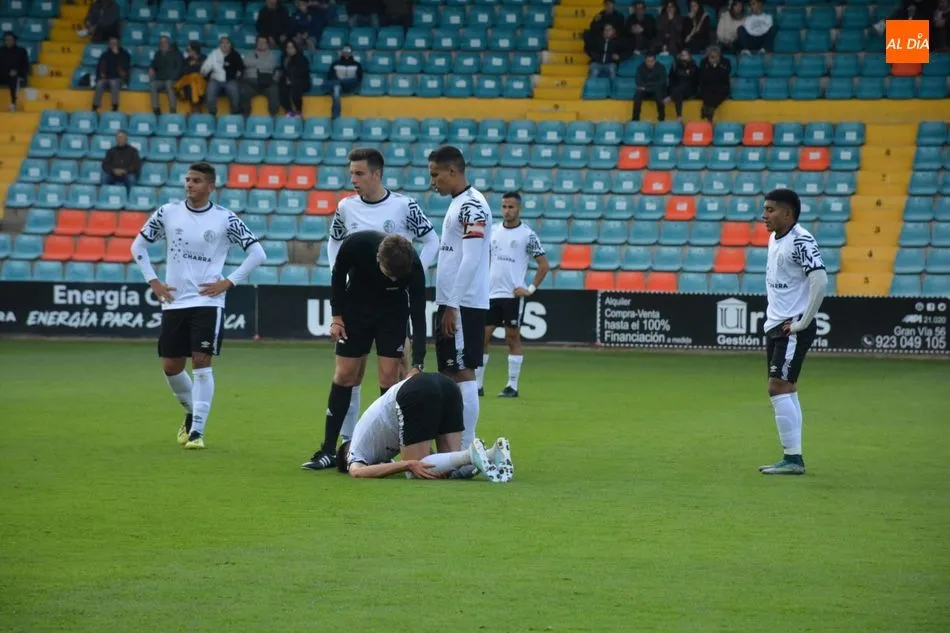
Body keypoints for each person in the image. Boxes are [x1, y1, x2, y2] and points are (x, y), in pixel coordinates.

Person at [129, 162, 267, 450]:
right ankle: (193, 412)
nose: (189, 185)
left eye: (196, 180)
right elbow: (137, 247)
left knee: (202, 361)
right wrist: (153, 280)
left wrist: (229, 282)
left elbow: (257, 253)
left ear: (210, 186)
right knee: (171, 367)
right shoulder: (167, 212)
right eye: (188, 180)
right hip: (174, 302)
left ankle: (197, 432)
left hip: (208, 301)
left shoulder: (225, 219)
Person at [325, 147, 440, 447]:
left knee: (390, 377)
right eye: (351, 173)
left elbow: (432, 240)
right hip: (357, 302)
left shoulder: (404, 206)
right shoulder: (346, 207)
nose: (354, 179)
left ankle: (383, 444)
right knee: (349, 373)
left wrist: (412, 272)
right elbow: (334, 241)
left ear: (377, 174)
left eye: (360, 173)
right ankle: (344, 442)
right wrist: (337, 272)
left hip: (392, 302)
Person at [301, 231, 428, 471]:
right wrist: (337, 316)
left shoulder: (413, 266)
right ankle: (328, 449)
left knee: (389, 377)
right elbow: (338, 276)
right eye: (388, 274)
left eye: (397, 278)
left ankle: (385, 450)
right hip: (356, 310)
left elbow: (419, 315)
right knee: (345, 375)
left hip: (392, 315)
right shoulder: (356, 244)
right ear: (378, 259)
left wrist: (417, 363)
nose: (392, 280)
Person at [758, 188, 828, 475]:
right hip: (777, 324)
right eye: (765, 209)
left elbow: (820, 281)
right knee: (787, 389)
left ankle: (793, 459)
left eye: (771, 210)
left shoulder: (801, 241)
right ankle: (793, 456)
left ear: (788, 213)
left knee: (777, 387)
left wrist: (802, 322)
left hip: (792, 325)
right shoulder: (774, 238)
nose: (765, 215)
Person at [336, 372, 513, 483]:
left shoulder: (355, 450)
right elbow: (428, 449)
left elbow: (357, 472)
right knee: (450, 469)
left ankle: (471, 454)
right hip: (446, 384)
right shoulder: (376, 445)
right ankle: (492, 453)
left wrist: (408, 464)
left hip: (416, 392)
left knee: (417, 471)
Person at [429, 145, 493, 451]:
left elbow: (471, 258)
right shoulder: (461, 204)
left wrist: (452, 304)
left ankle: (467, 448)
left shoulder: (472, 206)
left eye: (436, 174)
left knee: (462, 373)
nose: (433, 181)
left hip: (463, 303)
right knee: (448, 374)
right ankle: (453, 446)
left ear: (453, 171)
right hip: (454, 301)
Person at [476, 191, 549, 399]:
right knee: (482, 337)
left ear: (519, 209)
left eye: (511, 207)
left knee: (512, 337)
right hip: (490, 294)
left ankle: (512, 386)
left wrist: (530, 289)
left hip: (512, 295)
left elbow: (544, 265)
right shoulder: (494, 231)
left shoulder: (527, 235)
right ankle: (478, 385)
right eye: (504, 207)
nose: (507, 211)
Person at [200, 36, 243, 116]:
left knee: (235, 92)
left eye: (227, 43)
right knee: (210, 91)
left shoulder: (235, 55)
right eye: (222, 43)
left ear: (230, 45)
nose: (225, 45)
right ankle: (212, 113)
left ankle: (235, 113)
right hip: (216, 79)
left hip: (230, 80)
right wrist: (204, 71)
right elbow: (207, 65)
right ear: (219, 45)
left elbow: (240, 67)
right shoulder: (214, 54)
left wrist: (239, 72)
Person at [239, 36, 280, 117]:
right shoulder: (249, 54)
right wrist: (262, 62)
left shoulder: (272, 55)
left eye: (263, 42)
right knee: (243, 92)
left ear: (267, 44)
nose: (261, 44)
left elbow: (270, 65)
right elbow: (245, 62)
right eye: (259, 42)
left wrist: (254, 63)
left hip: (267, 83)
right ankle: (245, 117)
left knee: (274, 93)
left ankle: (273, 117)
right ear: (256, 44)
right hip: (250, 82)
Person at [91, 36, 129, 113]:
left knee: (113, 82)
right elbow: (100, 67)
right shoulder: (105, 55)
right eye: (111, 43)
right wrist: (101, 75)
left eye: (115, 43)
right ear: (108, 44)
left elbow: (123, 72)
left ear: (118, 44)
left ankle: (115, 105)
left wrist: (116, 55)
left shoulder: (124, 54)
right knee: (99, 83)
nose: (113, 45)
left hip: (118, 79)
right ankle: (95, 106)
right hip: (106, 78)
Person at [325, 45, 362, 119]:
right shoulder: (335, 64)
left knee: (337, 82)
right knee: (336, 89)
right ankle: (336, 116)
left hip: (351, 84)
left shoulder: (357, 64)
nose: (346, 52)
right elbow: (330, 76)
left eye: (348, 51)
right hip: (339, 86)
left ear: (351, 53)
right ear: (341, 52)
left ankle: (327, 85)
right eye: (344, 51)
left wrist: (341, 81)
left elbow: (359, 78)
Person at [149, 35, 182, 115]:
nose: (163, 44)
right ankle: (156, 109)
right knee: (153, 84)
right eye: (161, 42)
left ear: (168, 43)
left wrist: (173, 77)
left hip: (173, 79)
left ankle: (173, 109)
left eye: (165, 42)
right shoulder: (157, 54)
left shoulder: (176, 53)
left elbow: (180, 68)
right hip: (161, 79)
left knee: (168, 83)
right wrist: (151, 68)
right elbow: (154, 65)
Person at [697, 45, 731, 121]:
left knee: (717, 93)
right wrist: (711, 66)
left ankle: (707, 110)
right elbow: (704, 76)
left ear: (719, 56)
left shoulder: (725, 62)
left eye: (715, 56)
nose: (713, 58)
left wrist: (716, 66)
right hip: (707, 86)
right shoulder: (704, 62)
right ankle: (709, 112)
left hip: (722, 86)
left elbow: (724, 75)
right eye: (711, 56)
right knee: (707, 93)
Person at [278, 39, 311, 117]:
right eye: (288, 48)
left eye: (292, 47)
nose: (290, 50)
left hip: (301, 81)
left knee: (296, 87)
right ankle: (289, 110)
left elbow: (303, 73)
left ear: (296, 48)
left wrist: (292, 79)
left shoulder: (302, 59)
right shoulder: (284, 58)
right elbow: (283, 70)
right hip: (287, 81)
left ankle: (299, 111)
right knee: (281, 88)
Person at [632, 53, 667, 121]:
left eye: (651, 61)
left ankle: (661, 119)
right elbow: (638, 82)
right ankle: (635, 119)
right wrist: (651, 86)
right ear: (645, 61)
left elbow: (661, 83)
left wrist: (646, 87)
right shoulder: (640, 67)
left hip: (656, 89)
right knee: (637, 97)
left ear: (655, 61)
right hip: (645, 90)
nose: (649, 63)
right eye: (647, 61)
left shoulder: (661, 67)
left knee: (659, 98)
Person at [666, 49, 699, 121]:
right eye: (682, 55)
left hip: (690, 91)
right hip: (677, 91)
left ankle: (671, 97)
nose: (683, 57)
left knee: (685, 84)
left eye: (685, 55)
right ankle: (679, 117)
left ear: (689, 56)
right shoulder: (675, 65)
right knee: (678, 93)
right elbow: (671, 80)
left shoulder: (693, 65)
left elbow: (695, 80)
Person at [0, 32, 29, 112]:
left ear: (14, 41)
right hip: (2, 74)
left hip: (16, 75)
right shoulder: (1, 51)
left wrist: (17, 71)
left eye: (10, 40)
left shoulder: (21, 51)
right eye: (6, 40)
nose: (8, 41)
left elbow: (26, 66)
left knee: (14, 79)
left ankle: (13, 103)